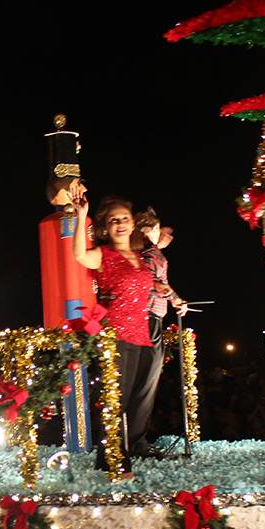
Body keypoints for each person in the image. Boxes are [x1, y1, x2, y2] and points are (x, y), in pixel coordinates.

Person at [71, 193, 163, 473]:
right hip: (116, 334)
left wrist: (162, 290)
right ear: (106, 227)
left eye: (125, 219)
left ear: (133, 223)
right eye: (114, 220)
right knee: (115, 398)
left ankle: (123, 449)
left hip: (141, 332)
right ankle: (110, 456)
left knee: (136, 398)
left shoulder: (137, 255)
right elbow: (79, 255)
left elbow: (141, 287)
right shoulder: (104, 254)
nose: (120, 224)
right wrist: (79, 217)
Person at [133, 207, 187, 347]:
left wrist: (174, 299)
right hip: (149, 315)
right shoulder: (151, 254)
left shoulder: (146, 252)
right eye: (157, 229)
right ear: (149, 231)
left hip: (146, 314)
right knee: (152, 362)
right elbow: (152, 282)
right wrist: (175, 298)